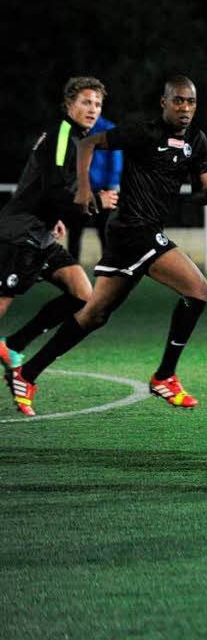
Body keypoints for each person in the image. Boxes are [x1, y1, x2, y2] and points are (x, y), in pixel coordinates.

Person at [5, 75, 207, 411]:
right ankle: (164, 377)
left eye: (190, 101)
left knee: (94, 315)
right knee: (199, 290)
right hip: (132, 229)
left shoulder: (196, 142)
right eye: (178, 100)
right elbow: (87, 144)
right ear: (164, 102)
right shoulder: (143, 132)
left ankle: (27, 373)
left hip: (135, 234)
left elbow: (199, 194)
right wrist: (84, 191)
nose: (185, 107)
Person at [1, 77, 118, 415]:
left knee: (83, 294)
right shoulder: (63, 136)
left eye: (97, 104)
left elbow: (49, 188)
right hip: (18, 234)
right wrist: (94, 198)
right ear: (68, 106)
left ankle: (14, 345)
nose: (92, 109)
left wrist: (54, 215)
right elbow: (54, 188)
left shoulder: (78, 140)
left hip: (41, 233)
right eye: (85, 102)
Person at [66, 115, 121, 262]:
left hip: (102, 191)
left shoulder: (108, 128)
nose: (91, 109)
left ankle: (109, 272)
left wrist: (112, 186)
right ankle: (72, 271)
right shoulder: (74, 129)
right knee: (75, 233)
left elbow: (116, 157)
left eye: (96, 104)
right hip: (79, 190)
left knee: (105, 234)